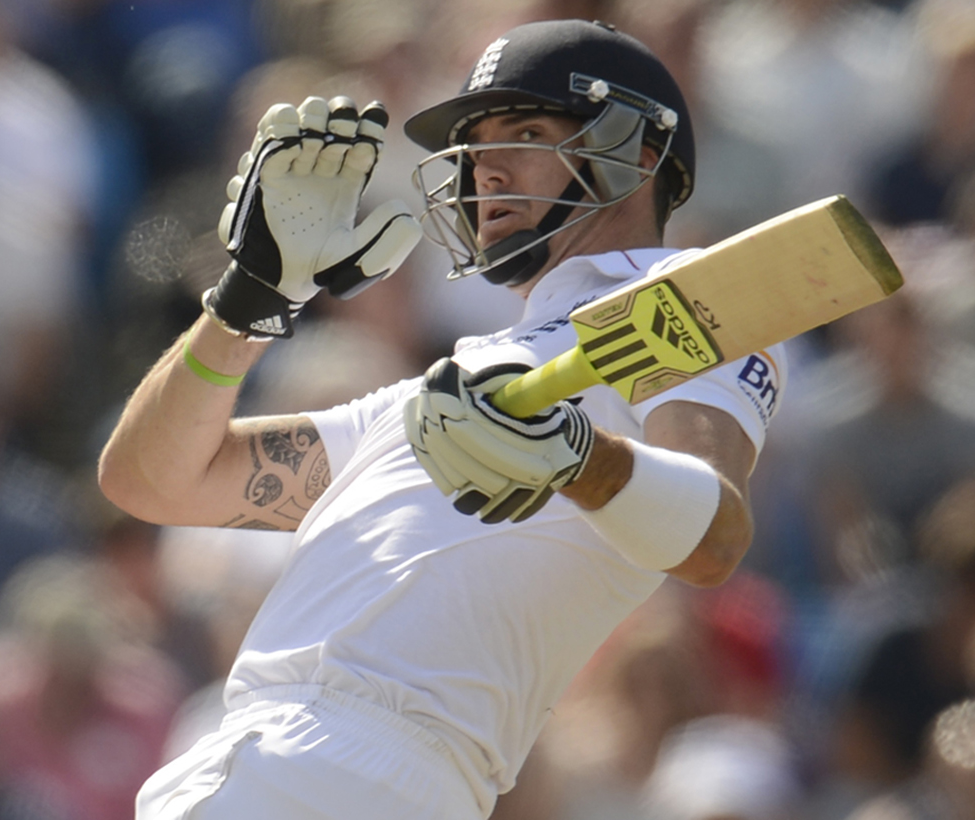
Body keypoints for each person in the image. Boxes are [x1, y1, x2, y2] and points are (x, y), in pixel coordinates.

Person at [99, 19, 786, 820]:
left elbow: (714, 539)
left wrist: (577, 458)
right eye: (474, 145)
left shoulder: (680, 302)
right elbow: (150, 481)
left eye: (525, 132)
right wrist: (248, 302)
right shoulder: (447, 387)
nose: (484, 169)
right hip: (311, 764)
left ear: (638, 154)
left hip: (342, 771)